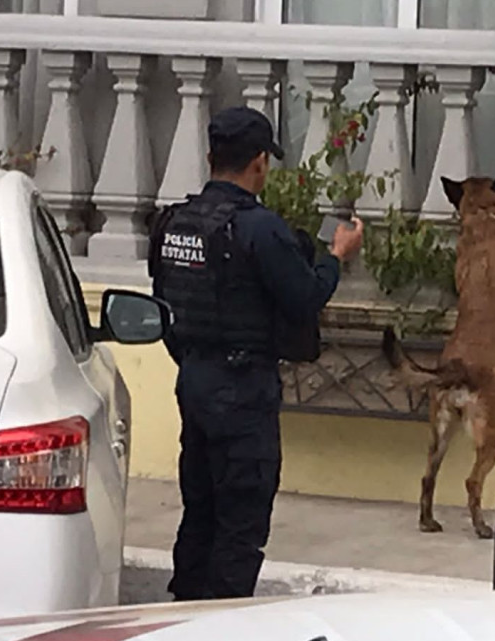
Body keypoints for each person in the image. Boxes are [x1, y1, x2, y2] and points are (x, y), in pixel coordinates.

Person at [147, 105, 364, 601]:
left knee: (199, 511)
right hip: (242, 392)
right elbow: (304, 297)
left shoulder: (176, 223)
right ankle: (221, 625)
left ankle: (185, 617)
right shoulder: (260, 229)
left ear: (209, 157)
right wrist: (335, 258)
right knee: (240, 524)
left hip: (194, 381)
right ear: (260, 162)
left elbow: (164, 309)